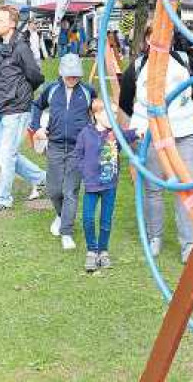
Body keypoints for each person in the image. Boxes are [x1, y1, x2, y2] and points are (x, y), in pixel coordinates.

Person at [119, 24, 193, 263]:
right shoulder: (137, 67)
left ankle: (189, 243)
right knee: (152, 189)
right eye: (154, 36)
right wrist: (129, 137)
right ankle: (155, 236)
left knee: (185, 187)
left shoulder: (184, 60)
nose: (161, 41)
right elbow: (125, 104)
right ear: (146, 39)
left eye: (166, 35)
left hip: (184, 133)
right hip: (149, 136)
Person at [0, 5, 47, 213]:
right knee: (4, 153)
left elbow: (36, 76)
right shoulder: (0, 47)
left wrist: (22, 94)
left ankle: (3, 199)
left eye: (1, 20)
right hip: (3, 109)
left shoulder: (21, 47)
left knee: (7, 155)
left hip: (17, 109)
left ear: (11, 24)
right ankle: (43, 179)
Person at [30, 54, 95, 250]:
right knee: (54, 190)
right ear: (61, 73)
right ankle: (60, 215)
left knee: (70, 191)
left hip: (78, 149)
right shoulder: (51, 89)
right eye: (69, 75)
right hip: (55, 146)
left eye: (76, 76)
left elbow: (98, 112)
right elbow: (36, 106)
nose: (72, 79)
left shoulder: (88, 91)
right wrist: (36, 127)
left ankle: (66, 232)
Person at [75, 98, 138, 272]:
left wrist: (145, 130)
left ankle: (103, 251)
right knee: (88, 218)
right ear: (96, 114)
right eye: (108, 113)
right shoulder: (85, 134)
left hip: (109, 184)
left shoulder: (115, 133)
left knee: (106, 220)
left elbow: (133, 134)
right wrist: (85, 172)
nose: (113, 117)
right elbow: (78, 156)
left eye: (115, 113)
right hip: (92, 185)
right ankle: (91, 251)